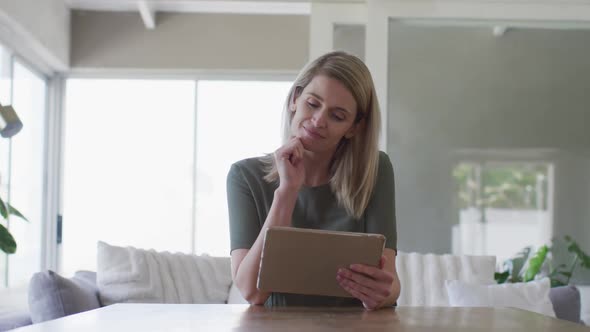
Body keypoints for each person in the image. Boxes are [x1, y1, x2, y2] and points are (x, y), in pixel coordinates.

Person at [226, 51, 400, 309]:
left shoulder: (375, 170)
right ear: (295, 99)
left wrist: (383, 293)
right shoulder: (245, 177)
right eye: (313, 103)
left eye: (337, 116)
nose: (319, 121)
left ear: (354, 127)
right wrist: (287, 190)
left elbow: (391, 285)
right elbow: (253, 292)